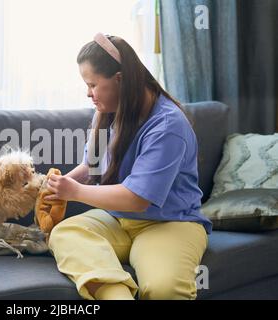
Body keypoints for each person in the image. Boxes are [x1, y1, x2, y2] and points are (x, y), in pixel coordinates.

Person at [44, 33, 212, 300]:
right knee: (65, 233)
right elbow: (92, 166)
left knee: (163, 290)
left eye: (93, 85)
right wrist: (56, 185)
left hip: (170, 223)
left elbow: (137, 199)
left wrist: (73, 192)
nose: (88, 93)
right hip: (117, 219)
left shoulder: (168, 125)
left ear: (119, 79)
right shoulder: (110, 112)